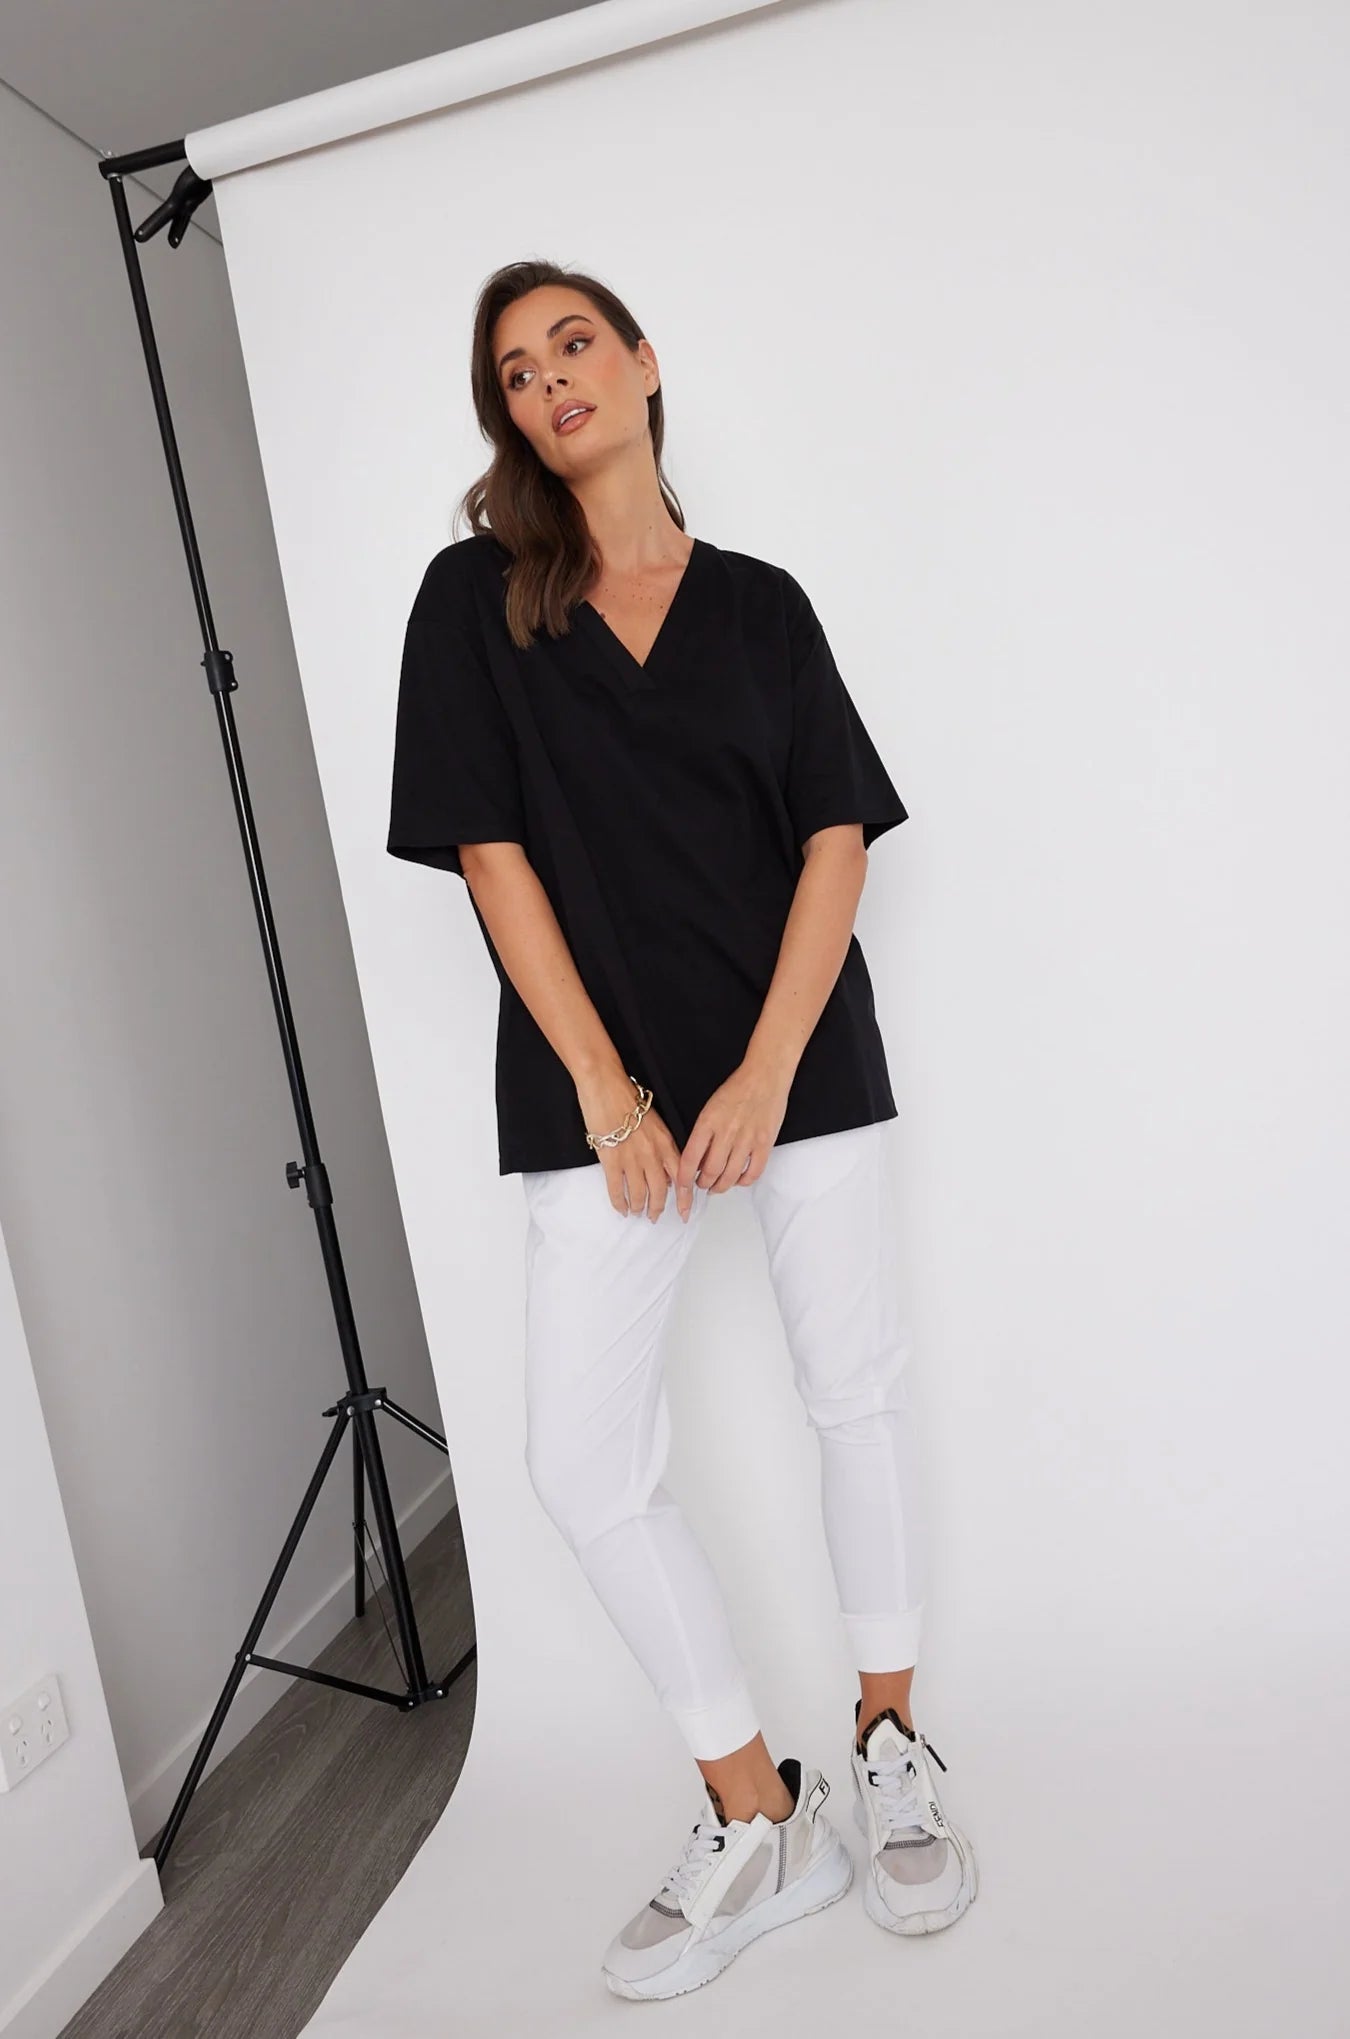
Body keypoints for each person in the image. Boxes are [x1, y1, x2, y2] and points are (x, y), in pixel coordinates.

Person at [386, 259, 977, 2000]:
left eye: (574, 343)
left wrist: (767, 1072)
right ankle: (756, 1809)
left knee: (852, 1388)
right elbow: (490, 855)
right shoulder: (474, 599)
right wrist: (608, 1090)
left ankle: (887, 1744)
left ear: (643, 366)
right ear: (506, 415)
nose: (549, 379)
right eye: (515, 369)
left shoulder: (761, 606)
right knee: (582, 1462)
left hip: (798, 1058)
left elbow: (833, 840)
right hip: (601, 1089)